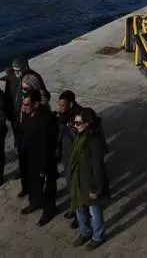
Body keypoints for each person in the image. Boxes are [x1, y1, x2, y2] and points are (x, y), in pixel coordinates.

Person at [69, 108, 109, 249]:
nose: (75, 125)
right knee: (80, 208)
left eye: (78, 123)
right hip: (79, 180)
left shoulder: (94, 141)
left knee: (94, 210)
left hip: (90, 182)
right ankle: (85, 231)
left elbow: (97, 167)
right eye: (74, 122)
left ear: (87, 123)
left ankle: (98, 236)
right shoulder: (81, 135)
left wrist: (96, 188)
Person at [19, 90, 60, 224]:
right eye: (23, 104)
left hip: (44, 159)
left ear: (36, 104)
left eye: (26, 104)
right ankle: (34, 202)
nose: (23, 107)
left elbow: (48, 145)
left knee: (48, 187)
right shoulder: (27, 114)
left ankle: (49, 211)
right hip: (30, 157)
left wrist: (44, 166)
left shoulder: (47, 119)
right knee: (33, 183)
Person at [56, 90, 82, 220]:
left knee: (78, 186)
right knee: (70, 184)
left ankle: (80, 215)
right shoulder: (63, 116)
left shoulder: (78, 118)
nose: (60, 108)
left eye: (62, 106)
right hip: (66, 154)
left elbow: (75, 137)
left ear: (70, 105)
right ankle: (74, 207)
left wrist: (65, 126)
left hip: (76, 156)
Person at [3, 57, 37, 145]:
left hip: (27, 114)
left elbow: (44, 95)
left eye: (18, 71)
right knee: (17, 139)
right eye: (14, 70)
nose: (16, 73)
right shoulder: (11, 77)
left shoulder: (33, 78)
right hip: (14, 115)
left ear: (26, 68)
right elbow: (7, 95)